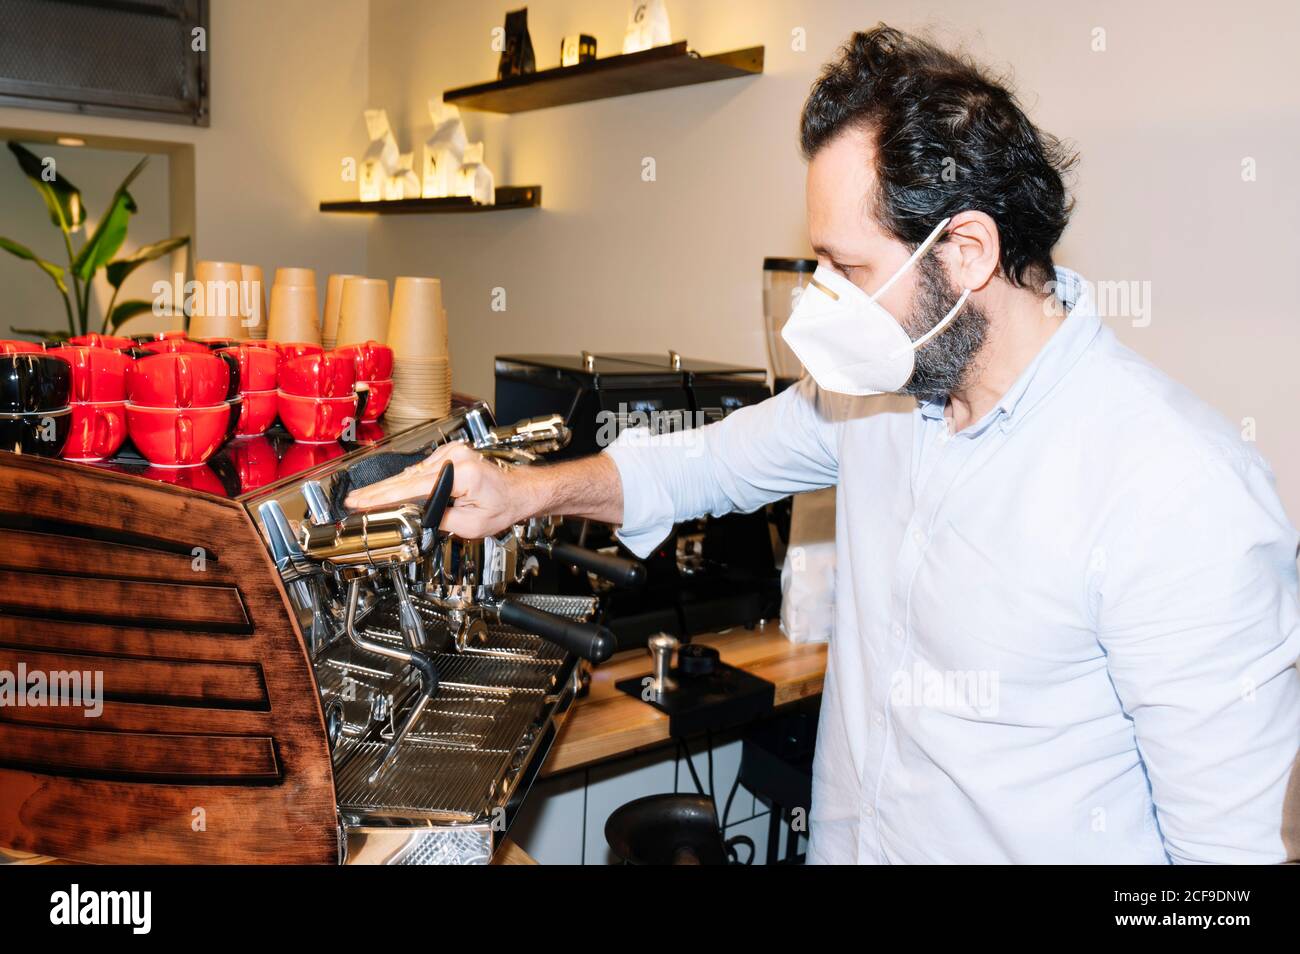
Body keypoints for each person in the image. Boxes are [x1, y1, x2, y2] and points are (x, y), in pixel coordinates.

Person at [346, 25, 1300, 864]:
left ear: (966, 253)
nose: (821, 301)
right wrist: (518, 492)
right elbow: (703, 462)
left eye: (846, 268)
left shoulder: (1178, 491)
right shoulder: (880, 395)